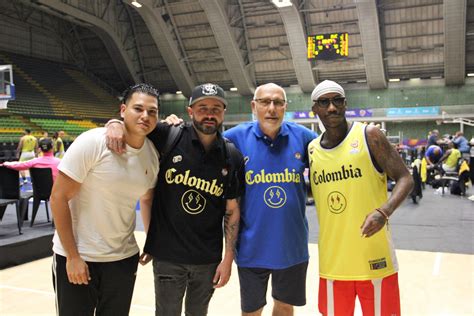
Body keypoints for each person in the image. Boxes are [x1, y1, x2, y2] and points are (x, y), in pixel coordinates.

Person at [106, 83, 244, 316]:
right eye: (202, 108)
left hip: (208, 259)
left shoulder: (232, 156)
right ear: (190, 112)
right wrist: (114, 124)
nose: (209, 114)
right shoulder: (168, 135)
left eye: (216, 108)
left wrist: (228, 259)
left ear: (223, 112)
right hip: (168, 256)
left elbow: (232, 210)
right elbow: (136, 123)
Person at [50, 83, 160, 316]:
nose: (145, 116)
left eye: (152, 111)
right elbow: (58, 198)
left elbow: (147, 199)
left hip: (122, 259)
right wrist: (72, 256)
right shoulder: (93, 142)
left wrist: (150, 240)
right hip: (80, 257)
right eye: (138, 108)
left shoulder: (151, 155)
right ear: (122, 110)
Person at [308, 80, 414, 316]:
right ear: (315, 109)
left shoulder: (370, 135)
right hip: (333, 264)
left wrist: (383, 211)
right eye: (324, 102)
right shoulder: (312, 149)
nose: (332, 108)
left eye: (337, 100)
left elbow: (406, 178)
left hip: (375, 261)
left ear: (345, 104)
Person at [224, 83, 317, 315]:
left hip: (291, 247)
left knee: (285, 307)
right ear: (254, 106)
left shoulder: (304, 137)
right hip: (250, 247)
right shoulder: (234, 137)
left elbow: (335, 149)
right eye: (265, 102)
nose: (271, 108)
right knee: (252, 311)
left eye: (278, 102)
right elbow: (198, 141)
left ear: (285, 107)